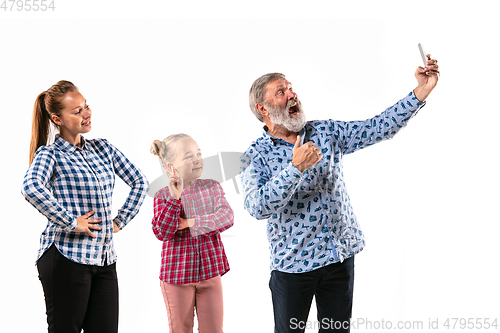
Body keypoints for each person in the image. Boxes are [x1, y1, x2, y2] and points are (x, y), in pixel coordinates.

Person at [240, 57, 439, 332]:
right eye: (281, 91)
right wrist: (295, 168)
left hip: (339, 258)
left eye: (291, 88)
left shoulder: (325, 131)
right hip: (293, 267)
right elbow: (257, 206)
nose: (292, 94)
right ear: (263, 108)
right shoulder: (255, 155)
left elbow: (377, 128)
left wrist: (420, 92)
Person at [21, 80, 149, 333]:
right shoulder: (50, 155)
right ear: (57, 119)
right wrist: (72, 222)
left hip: (104, 259)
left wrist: (119, 222)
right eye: (77, 111)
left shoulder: (103, 148)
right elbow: (31, 187)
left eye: (86, 106)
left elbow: (140, 182)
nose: (86, 114)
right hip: (66, 258)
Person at [150, 134, 234, 333]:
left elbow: (227, 217)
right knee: (180, 329)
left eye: (198, 154)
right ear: (170, 166)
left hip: (210, 272)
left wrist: (190, 223)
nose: (197, 159)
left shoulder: (212, 187)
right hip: (177, 277)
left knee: (214, 330)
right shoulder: (163, 196)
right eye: (188, 156)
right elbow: (163, 231)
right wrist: (174, 198)